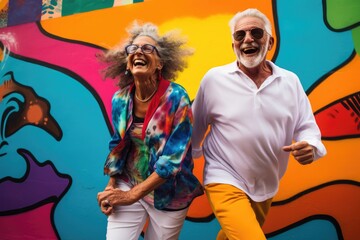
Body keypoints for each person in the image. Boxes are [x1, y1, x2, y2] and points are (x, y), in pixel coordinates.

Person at [191, 8, 327, 240]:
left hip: (267, 183)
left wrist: (310, 146)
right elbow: (195, 128)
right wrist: (182, 165)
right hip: (223, 176)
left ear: (270, 41)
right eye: (239, 35)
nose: (248, 39)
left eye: (256, 32)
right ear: (233, 44)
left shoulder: (289, 81)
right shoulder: (214, 80)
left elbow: (306, 126)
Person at [96, 22, 203, 240]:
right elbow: (119, 146)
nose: (138, 52)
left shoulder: (176, 98)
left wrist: (130, 197)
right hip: (129, 182)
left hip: (168, 195)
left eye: (147, 49)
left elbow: (172, 162)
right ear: (127, 62)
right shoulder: (120, 99)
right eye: (133, 49)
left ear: (160, 63)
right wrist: (112, 187)